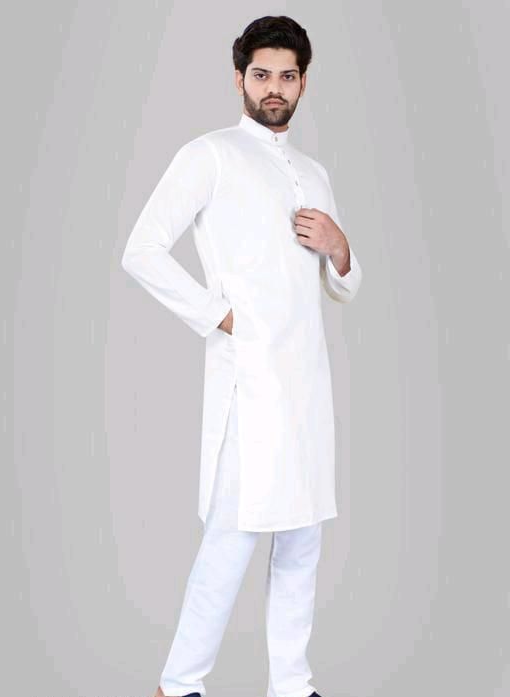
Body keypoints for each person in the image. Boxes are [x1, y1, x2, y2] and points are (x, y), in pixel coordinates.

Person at [121, 15, 363, 697]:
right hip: (251, 383)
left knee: (302, 539)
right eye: (261, 75)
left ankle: (292, 683)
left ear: (304, 82)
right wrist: (217, 315)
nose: (273, 88)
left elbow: (342, 286)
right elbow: (142, 248)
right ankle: (180, 684)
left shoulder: (313, 173)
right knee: (231, 539)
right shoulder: (212, 155)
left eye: (287, 75)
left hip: (309, 382)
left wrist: (341, 247)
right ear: (239, 80)